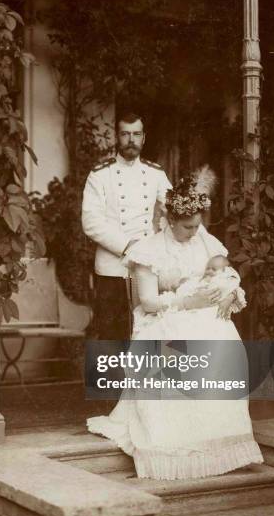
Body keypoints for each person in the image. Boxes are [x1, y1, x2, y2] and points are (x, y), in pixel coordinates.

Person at [87, 167, 263, 480]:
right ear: (170, 221)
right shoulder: (149, 249)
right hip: (163, 316)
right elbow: (149, 302)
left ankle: (216, 439)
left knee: (221, 337)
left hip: (202, 313)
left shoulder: (205, 242)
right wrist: (185, 303)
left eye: (197, 225)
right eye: (186, 227)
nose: (193, 233)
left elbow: (229, 273)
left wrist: (230, 292)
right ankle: (178, 449)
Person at [82, 112, 171, 339]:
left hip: (148, 268)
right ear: (116, 137)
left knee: (149, 333)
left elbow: (174, 211)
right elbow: (91, 222)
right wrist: (128, 246)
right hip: (113, 267)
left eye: (136, 134)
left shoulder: (155, 173)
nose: (131, 140)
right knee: (113, 337)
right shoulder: (100, 175)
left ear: (144, 138)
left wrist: (161, 243)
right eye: (125, 134)